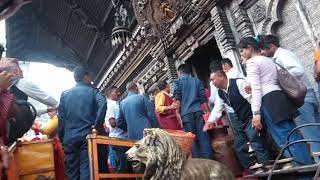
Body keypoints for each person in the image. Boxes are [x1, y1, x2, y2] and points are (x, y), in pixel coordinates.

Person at [238, 37, 313, 166]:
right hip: (280, 98)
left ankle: (304, 173)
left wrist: (256, 112)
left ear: (249, 48)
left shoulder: (252, 62)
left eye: (241, 51)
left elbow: (257, 88)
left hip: (269, 102)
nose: (241, 55)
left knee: (284, 140)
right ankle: (309, 168)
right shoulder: (268, 60)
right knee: (294, 136)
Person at [259, 35, 320, 157]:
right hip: (305, 97)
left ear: (271, 46)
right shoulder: (281, 56)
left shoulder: (282, 55)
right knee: (315, 133)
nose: (262, 53)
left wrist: (279, 80)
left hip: (302, 101)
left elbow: (298, 70)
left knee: (312, 136)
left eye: (263, 50)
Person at [204, 70, 270, 171]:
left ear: (221, 77)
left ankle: (267, 167)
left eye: (213, 80)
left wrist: (256, 116)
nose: (212, 83)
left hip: (250, 117)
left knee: (255, 141)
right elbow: (218, 107)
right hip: (239, 120)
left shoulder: (239, 83)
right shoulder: (220, 93)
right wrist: (210, 121)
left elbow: (252, 100)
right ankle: (253, 170)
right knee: (238, 146)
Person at [58, 67, 108, 179]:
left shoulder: (65, 95)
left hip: (69, 138)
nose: (91, 79)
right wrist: (97, 125)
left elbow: (61, 119)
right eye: (90, 76)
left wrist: (62, 138)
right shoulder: (94, 92)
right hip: (87, 136)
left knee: (72, 172)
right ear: (85, 76)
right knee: (87, 169)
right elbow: (103, 104)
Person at [173, 64, 213, 159]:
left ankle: (198, 165)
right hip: (198, 112)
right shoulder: (196, 81)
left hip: (186, 115)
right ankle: (209, 162)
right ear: (189, 72)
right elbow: (203, 99)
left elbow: (177, 99)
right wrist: (208, 113)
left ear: (179, 72)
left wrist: (177, 113)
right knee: (204, 138)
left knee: (192, 141)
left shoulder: (177, 82)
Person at [104, 86, 131, 178]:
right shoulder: (110, 105)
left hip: (122, 138)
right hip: (118, 139)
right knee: (122, 167)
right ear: (109, 94)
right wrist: (128, 125)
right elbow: (113, 123)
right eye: (116, 92)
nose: (118, 93)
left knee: (128, 166)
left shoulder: (115, 104)